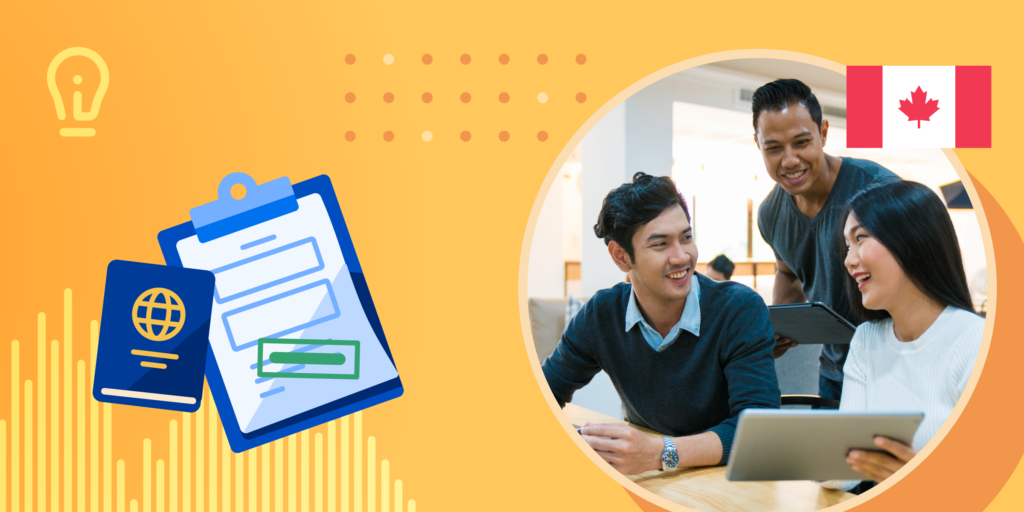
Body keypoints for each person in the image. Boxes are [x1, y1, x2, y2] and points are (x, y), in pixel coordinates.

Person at [541, 172, 780, 475]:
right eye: (660, 244)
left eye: (686, 237)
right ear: (621, 256)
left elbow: (758, 430)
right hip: (650, 482)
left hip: (729, 480)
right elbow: (544, 391)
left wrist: (659, 453)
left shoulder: (738, 309)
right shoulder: (601, 315)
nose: (681, 257)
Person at [823, 181, 983, 492]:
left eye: (860, 238)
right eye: (846, 245)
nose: (848, 260)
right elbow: (844, 472)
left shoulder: (972, 340)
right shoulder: (866, 340)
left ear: (911, 240)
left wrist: (923, 479)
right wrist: (807, 453)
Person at [752, 78, 900, 401]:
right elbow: (788, 272)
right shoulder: (770, 213)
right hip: (833, 371)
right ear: (758, 145)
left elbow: (915, 280)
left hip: (892, 366)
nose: (789, 160)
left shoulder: (877, 190)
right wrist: (780, 326)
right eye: (774, 148)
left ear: (823, 133)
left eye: (801, 142)